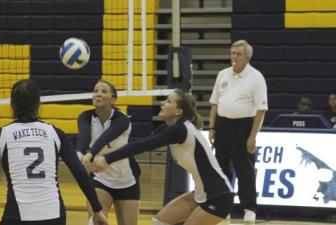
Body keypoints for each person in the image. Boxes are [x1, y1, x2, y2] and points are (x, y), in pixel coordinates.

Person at [0, 79, 108, 225]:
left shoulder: (0, 135)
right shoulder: (55, 133)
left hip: (17, 216)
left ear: (12, 104)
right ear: (38, 104)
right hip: (54, 216)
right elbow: (79, 172)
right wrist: (97, 210)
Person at [92, 89, 234, 225]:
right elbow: (140, 144)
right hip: (201, 194)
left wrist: (107, 159)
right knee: (160, 222)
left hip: (218, 197)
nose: (162, 104)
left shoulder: (180, 130)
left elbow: (144, 145)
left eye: (168, 101)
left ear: (178, 111)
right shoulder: (169, 128)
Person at [208, 40, 268, 223]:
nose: (234, 57)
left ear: (247, 57)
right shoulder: (222, 74)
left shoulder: (256, 77)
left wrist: (252, 137)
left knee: (244, 170)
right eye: (232, 53)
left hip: (244, 127)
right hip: (223, 125)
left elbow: (261, 110)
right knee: (221, 168)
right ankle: (224, 206)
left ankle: (249, 208)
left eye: (238, 54)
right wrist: (212, 128)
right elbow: (214, 104)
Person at [76, 80, 140, 225]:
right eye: (96, 91)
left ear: (113, 99)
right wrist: (80, 153)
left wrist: (90, 154)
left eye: (104, 91)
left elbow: (106, 137)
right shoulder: (85, 117)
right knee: (96, 222)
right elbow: (84, 135)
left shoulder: (122, 119)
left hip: (127, 181)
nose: (98, 94)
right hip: (100, 180)